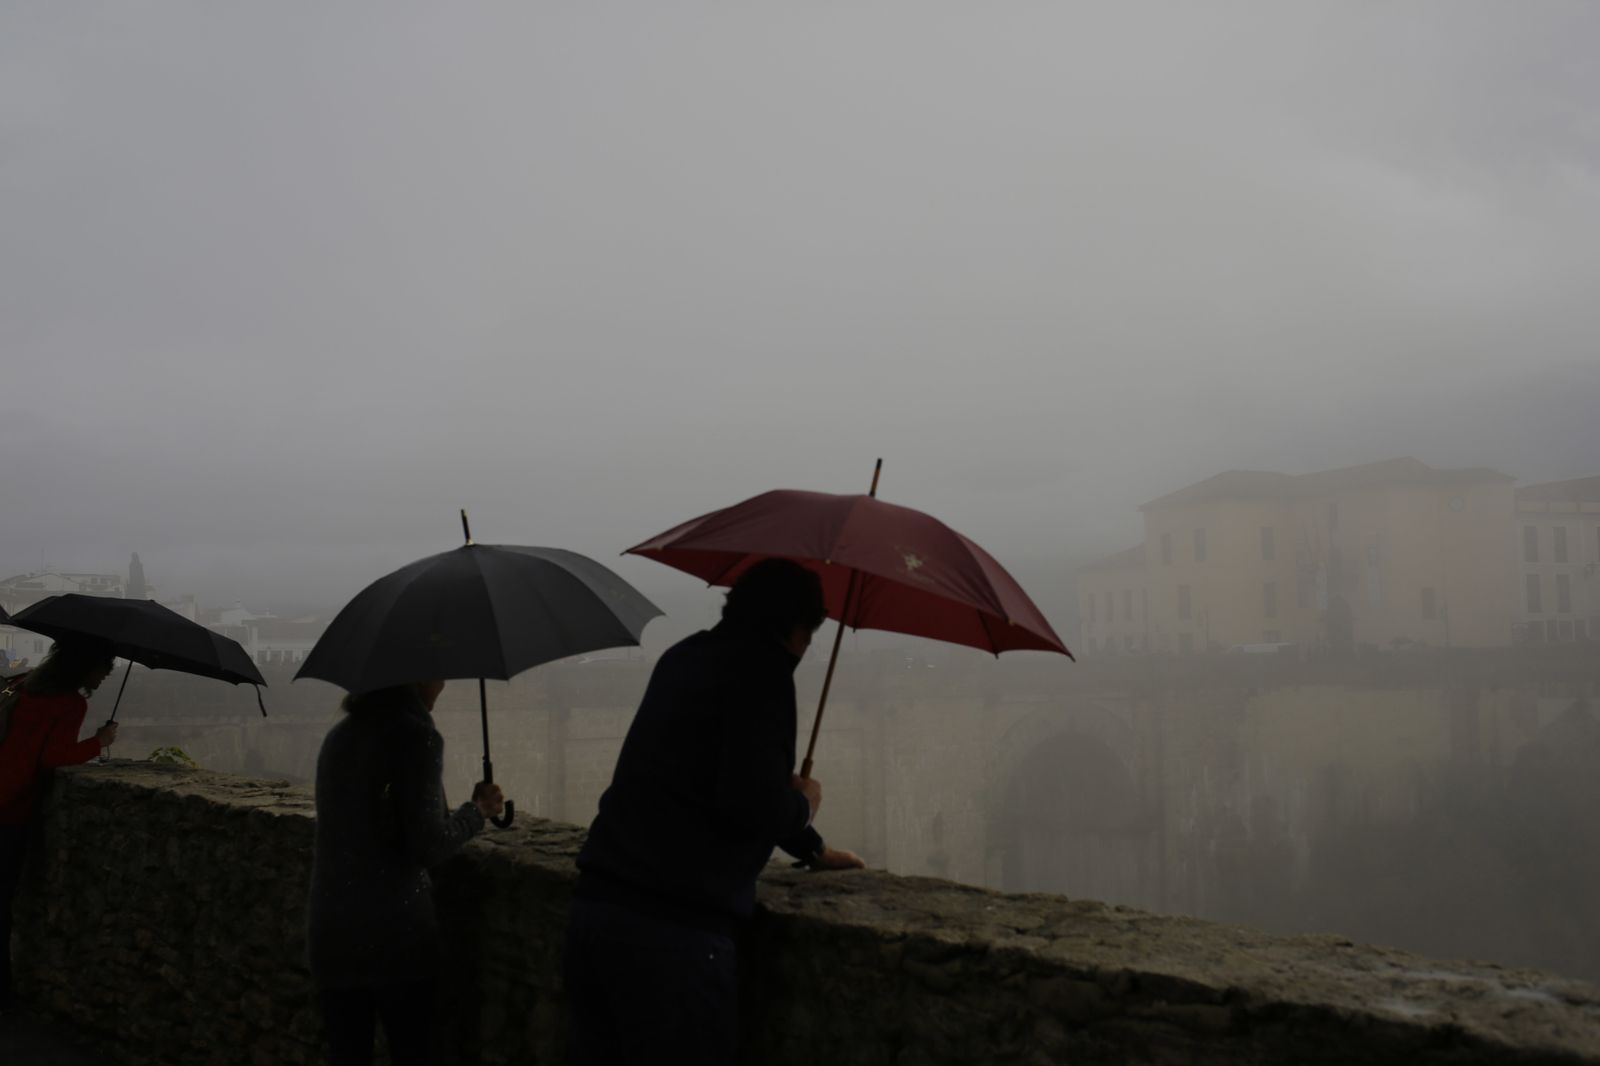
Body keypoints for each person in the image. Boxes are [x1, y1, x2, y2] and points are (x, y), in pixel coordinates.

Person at [565, 558, 865, 1066]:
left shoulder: (684, 657)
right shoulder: (764, 676)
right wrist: (804, 805)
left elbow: (698, 777)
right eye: (808, 634)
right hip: (674, 935)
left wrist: (809, 847)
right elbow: (752, 802)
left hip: (597, 912)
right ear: (794, 629)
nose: (807, 647)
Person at [307, 680, 504, 1066]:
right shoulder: (416, 738)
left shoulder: (340, 735)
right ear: (416, 678)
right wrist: (477, 811)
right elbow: (428, 845)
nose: (443, 684)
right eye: (438, 673)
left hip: (331, 932)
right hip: (394, 937)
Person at [0, 638, 118, 1011]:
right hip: (9, 809)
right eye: (103, 669)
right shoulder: (69, 703)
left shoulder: (20, 686)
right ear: (86, 666)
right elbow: (53, 757)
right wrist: (99, 742)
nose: (104, 677)